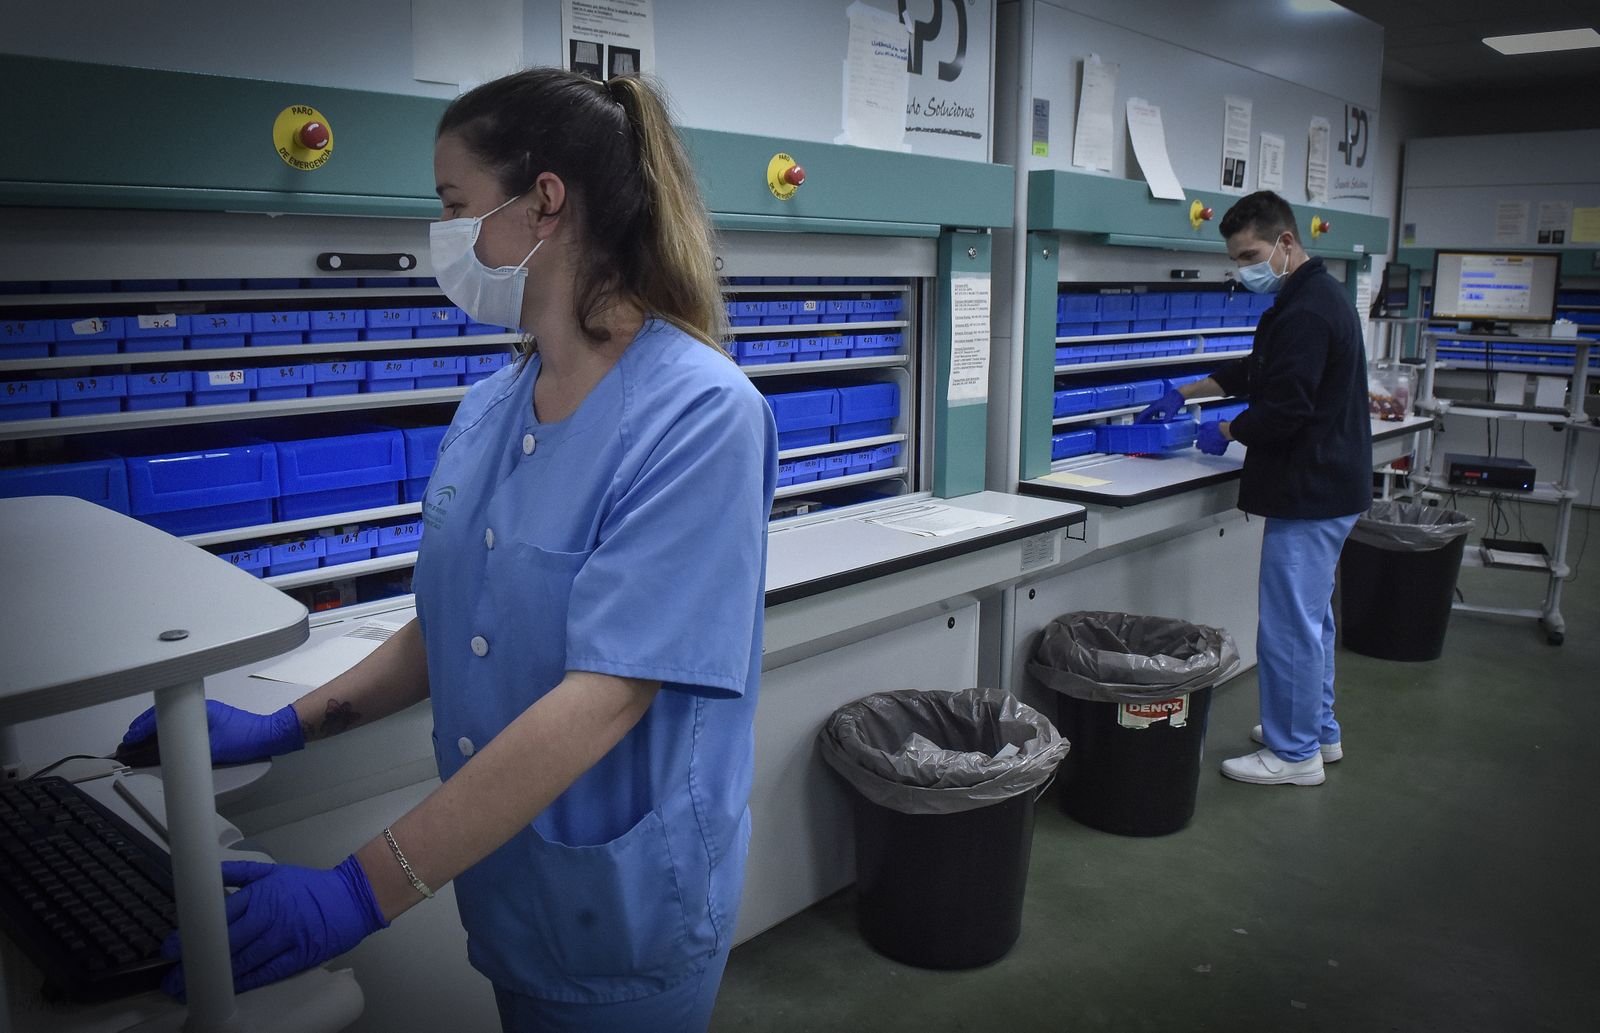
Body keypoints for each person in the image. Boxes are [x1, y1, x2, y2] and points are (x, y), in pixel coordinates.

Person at [120, 68, 778, 1032]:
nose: (445, 237)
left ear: (543, 202)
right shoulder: (490, 408)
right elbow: (454, 623)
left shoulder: (702, 415)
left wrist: (358, 889)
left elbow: (606, 697)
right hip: (509, 880)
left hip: (623, 909)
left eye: (455, 206)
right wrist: (290, 723)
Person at [1136, 190, 1371, 787]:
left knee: (1291, 625)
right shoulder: (1306, 298)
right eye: (1237, 259)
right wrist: (1187, 391)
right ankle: (1319, 732)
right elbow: (1258, 368)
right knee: (1311, 620)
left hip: (1310, 490)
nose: (1245, 269)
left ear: (1286, 243)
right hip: (1327, 486)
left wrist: (1227, 429)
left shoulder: (1309, 310)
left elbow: (1285, 408)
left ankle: (1294, 756)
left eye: (1252, 254)